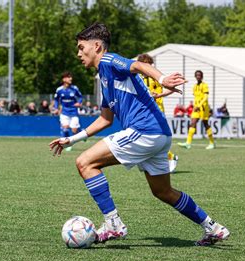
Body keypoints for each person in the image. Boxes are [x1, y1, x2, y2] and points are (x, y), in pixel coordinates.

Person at [49, 22, 229, 246]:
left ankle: (113, 223)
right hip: (160, 135)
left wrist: (162, 79)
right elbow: (105, 119)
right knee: (163, 191)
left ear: (96, 46)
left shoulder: (108, 60)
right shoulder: (105, 80)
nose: (78, 53)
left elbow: (138, 66)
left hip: (145, 130)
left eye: (81, 47)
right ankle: (213, 228)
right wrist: (71, 139)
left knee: (85, 163)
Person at [137, 53, 178, 173]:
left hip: (157, 109)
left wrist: (158, 95)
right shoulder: (139, 77)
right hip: (144, 110)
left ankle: (170, 157)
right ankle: (146, 161)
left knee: (155, 138)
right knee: (143, 136)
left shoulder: (155, 76)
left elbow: (169, 88)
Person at [178, 70, 215, 150]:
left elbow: (205, 97)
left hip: (203, 108)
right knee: (192, 123)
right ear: (195, 76)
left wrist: (199, 105)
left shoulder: (204, 85)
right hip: (196, 108)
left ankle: (212, 143)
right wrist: (195, 105)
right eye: (197, 75)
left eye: (199, 75)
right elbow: (196, 98)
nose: (198, 76)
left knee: (205, 124)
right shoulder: (194, 86)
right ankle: (188, 143)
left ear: (202, 76)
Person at [53, 72, 83, 151]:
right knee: (65, 128)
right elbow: (56, 100)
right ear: (64, 79)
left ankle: (81, 132)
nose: (71, 79)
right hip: (64, 112)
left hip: (74, 112)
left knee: (74, 130)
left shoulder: (74, 88)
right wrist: (56, 108)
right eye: (68, 77)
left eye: (71, 77)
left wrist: (79, 103)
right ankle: (67, 144)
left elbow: (80, 97)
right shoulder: (59, 90)